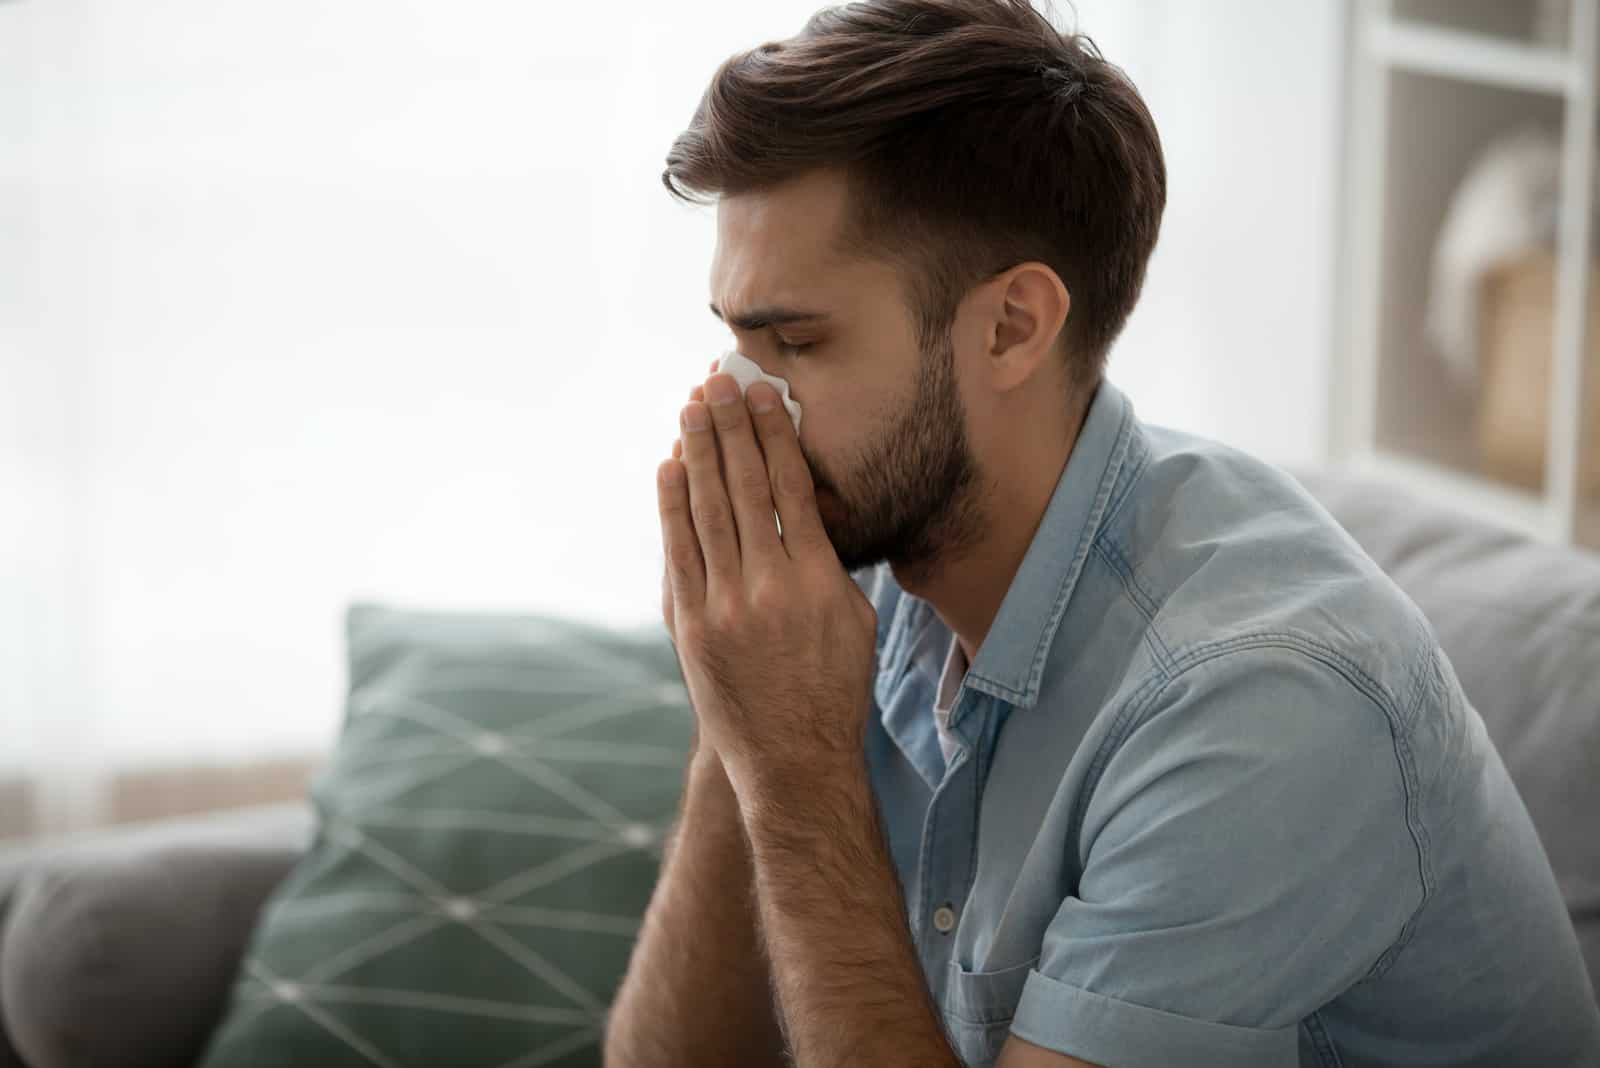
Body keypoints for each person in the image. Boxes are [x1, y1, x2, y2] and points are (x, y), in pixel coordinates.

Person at [605, 1, 1600, 1065]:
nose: (733, 397)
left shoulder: (1263, 708)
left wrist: (797, 775)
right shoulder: (873, 559)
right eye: (734, 337)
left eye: (795, 340)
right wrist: (738, 722)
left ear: (1011, 328)